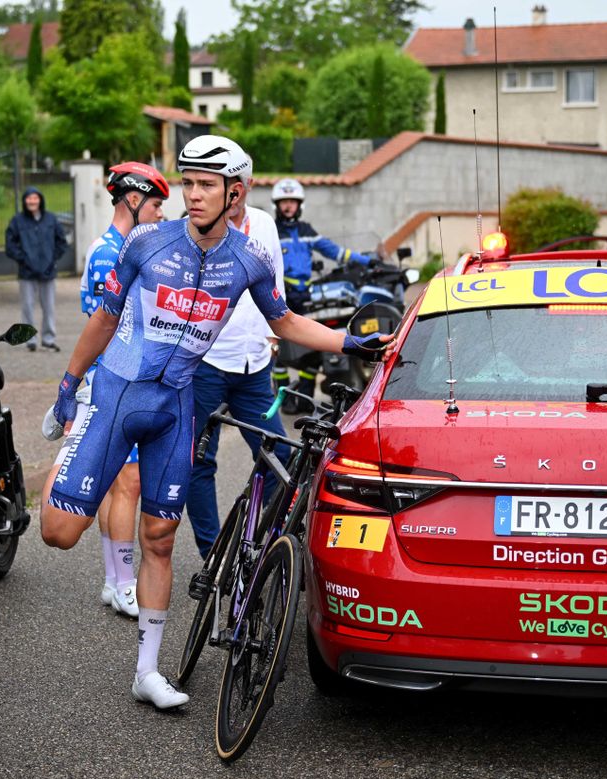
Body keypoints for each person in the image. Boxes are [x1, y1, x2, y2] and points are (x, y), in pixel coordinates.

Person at [39, 135, 390, 710]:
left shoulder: (248, 259)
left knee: (159, 536)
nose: (193, 194)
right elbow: (104, 319)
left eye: (206, 185)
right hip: (119, 396)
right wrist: (68, 383)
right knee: (58, 533)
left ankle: (147, 671)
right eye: (189, 183)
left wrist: (351, 339)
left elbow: (287, 320)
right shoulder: (147, 242)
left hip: (176, 406)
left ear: (236, 192)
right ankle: (76, 455)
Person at [78, 162, 169, 616]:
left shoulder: (120, 245)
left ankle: (114, 581)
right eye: (154, 204)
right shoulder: (108, 251)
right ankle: (123, 581)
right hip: (116, 381)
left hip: (119, 379)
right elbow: (109, 326)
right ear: (132, 200)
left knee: (118, 485)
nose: (158, 214)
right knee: (126, 485)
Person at [187, 169, 291, 560]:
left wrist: (273, 336)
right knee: (199, 460)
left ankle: (255, 539)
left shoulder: (264, 223)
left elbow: (275, 278)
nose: (232, 195)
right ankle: (213, 554)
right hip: (206, 363)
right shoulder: (194, 229)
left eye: (238, 187)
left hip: (254, 362)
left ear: (244, 187)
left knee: (280, 456)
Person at [271, 177, 374, 411]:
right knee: (279, 350)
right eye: (283, 202)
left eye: (292, 202)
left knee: (312, 348)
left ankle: (305, 398)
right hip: (280, 295)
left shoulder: (307, 230)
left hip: (306, 296)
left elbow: (334, 251)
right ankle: (284, 400)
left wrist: (367, 261)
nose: (288, 206)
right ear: (276, 205)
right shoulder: (271, 230)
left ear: (300, 205)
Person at [5, 187, 68, 352]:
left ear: (40, 200)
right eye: (29, 198)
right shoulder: (17, 221)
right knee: (27, 307)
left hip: (48, 272)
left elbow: (61, 242)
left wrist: (52, 260)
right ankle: (30, 339)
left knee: (49, 307)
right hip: (27, 273)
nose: (32, 201)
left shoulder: (51, 219)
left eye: (35, 198)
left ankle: (48, 339)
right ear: (25, 201)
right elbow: (10, 245)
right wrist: (23, 259)